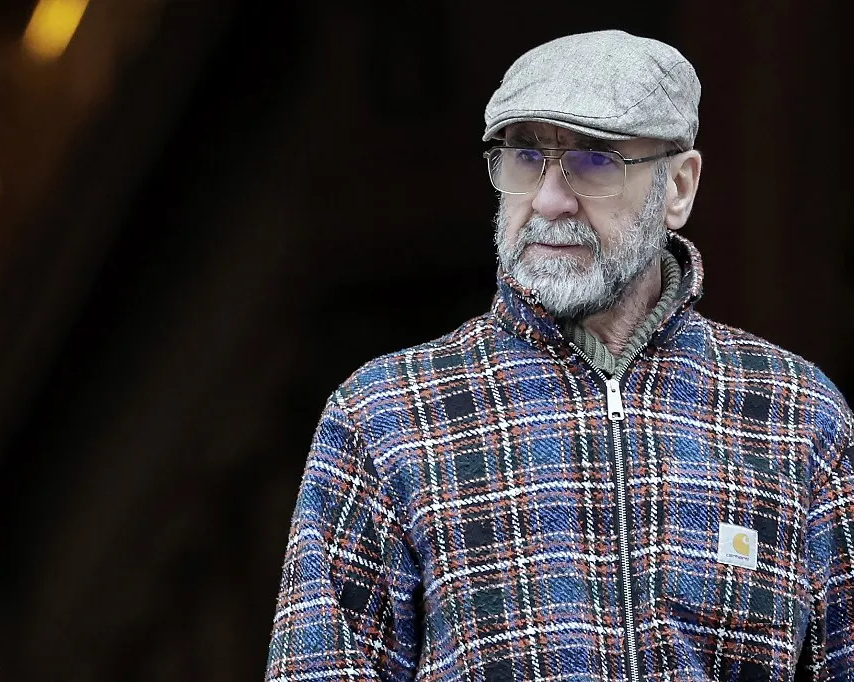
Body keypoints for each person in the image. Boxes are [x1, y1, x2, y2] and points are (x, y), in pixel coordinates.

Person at [265, 29, 854, 682]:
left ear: (678, 188)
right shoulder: (385, 416)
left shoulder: (796, 415)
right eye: (524, 158)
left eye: (594, 162)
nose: (548, 200)